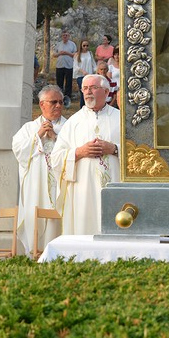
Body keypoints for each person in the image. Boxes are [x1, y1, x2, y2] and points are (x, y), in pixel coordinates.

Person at [51, 74, 120, 235]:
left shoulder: (121, 119)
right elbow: (56, 158)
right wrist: (78, 152)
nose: (88, 92)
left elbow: (140, 153)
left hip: (115, 187)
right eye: (85, 88)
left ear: (106, 91)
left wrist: (114, 149)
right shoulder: (73, 122)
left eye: (94, 88)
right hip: (83, 190)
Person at [12, 85, 66, 256]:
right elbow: (19, 151)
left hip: (61, 187)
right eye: (53, 102)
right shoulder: (29, 128)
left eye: (61, 102)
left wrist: (55, 138)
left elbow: (74, 152)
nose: (58, 105)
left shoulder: (70, 126)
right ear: (42, 104)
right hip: (35, 188)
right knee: (35, 224)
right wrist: (38, 136)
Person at [52, 30, 76, 107]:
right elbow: (54, 54)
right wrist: (60, 53)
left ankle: (67, 100)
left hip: (69, 66)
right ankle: (59, 98)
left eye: (66, 35)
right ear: (62, 36)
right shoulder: (58, 44)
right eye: (63, 35)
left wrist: (67, 53)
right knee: (59, 83)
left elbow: (75, 55)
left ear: (68, 36)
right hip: (59, 66)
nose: (65, 37)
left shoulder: (72, 44)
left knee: (68, 83)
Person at [72, 39, 95, 108]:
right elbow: (75, 66)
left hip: (89, 75)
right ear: (81, 46)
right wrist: (82, 71)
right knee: (83, 92)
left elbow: (93, 64)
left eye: (87, 45)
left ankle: (89, 106)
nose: (85, 47)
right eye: (84, 45)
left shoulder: (90, 53)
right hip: (81, 76)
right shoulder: (77, 55)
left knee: (89, 92)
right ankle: (82, 107)